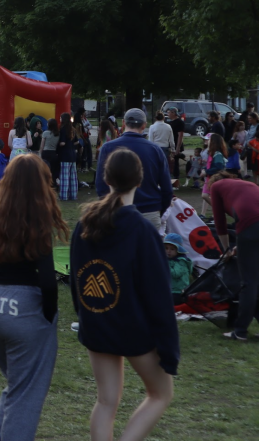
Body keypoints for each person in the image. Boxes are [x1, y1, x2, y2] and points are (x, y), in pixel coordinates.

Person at [71, 148, 178, 441]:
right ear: (140, 181)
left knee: (106, 401)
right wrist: (169, 351)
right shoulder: (142, 231)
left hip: (98, 324)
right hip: (133, 331)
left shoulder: (84, 223)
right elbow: (159, 297)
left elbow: (76, 280)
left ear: (105, 179)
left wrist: (85, 317)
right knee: (160, 393)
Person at [0, 155, 68, 441]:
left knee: (18, 385)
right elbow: (47, 281)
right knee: (26, 393)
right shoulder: (37, 219)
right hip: (23, 309)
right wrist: (49, 316)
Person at [96, 108, 173, 229]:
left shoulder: (108, 148)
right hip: (149, 211)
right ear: (144, 125)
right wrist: (157, 210)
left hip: (117, 211)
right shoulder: (155, 150)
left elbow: (101, 186)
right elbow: (167, 189)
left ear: (123, 123)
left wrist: (109, 207)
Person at [209, 173, 259, 340]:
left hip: (250, 225)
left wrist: (227, 251)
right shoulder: (246, 184)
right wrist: (240, 246)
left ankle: (240, 331)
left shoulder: (216, 187)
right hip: (252, 226)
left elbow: (220, 223)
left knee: (248, 282)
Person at [57, 112, 81, 200]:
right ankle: (73, 195)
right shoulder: (73, 129)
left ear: (63, 119)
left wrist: (58, 144)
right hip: (72, 155)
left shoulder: (63, 129)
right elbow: (77, 142)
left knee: (64, 177)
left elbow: (62, 143)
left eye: (60, 118)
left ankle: (63, 196)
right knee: (73, 177)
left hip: (65, 155)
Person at [164, 233, 193, 300]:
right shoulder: (167, 260)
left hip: (178, 292)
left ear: (178, 250)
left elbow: (175, 274)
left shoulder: (181, 261)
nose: (168, 251)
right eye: (166, 248)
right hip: (167, 290)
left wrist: (164, 263)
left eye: (172, 249)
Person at [148, 111, 175, 177]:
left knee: (155, 166)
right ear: (164, 118)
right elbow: (171, 140)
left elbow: (150, 140)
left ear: (155, 118)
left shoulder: (152, 127)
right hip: (165, 148)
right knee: (164, 166)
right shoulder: (168, 127)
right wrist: (173, 149)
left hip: (155, 148)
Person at [166, 107, 185, 188]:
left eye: (169, 112)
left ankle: (176, 182)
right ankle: (171, 181)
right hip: (171, 145)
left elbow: (180, 135)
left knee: (175, 164)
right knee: (171, 163)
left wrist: (178, 148)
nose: (168, 114)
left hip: (176, 145)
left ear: (174, 113)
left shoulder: (179, 122)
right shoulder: (170, 122)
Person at [40, 118, 60, 183]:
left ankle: (46, 184)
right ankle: (53, 184)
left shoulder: (45, 133)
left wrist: (40, 153)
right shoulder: (58, 134)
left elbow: (42, 145)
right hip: (54, 153)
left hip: (46, 152)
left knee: (45, 170)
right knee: (53, 170)